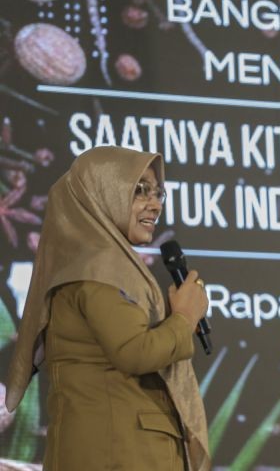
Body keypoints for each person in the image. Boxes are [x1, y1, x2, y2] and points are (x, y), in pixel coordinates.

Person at [5, 146, 211, 470]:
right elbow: (135, 352)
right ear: (100, 192)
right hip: (116, 453)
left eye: (158, 193)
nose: (155, 204)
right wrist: (184, 318)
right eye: (140, 190)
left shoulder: (92, 265)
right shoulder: (98, 267)